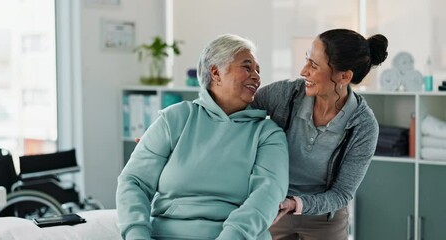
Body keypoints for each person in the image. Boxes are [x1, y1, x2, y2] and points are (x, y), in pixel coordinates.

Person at [116, 34, 289, 240]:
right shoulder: (175, 118)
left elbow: (267, 195)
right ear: (216, 72)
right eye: (247, 67)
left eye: (258, 71)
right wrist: (137, 234)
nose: (256, 77)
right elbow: (134, 181)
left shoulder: (267, 133)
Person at [251, 28, 389, 240]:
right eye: (307, 60)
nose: (303, 71)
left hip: (324, 218)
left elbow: (342, 193)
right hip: (273, 207)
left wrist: (297, 204)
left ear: (344, 76)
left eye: (314, 66)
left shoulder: (363, 126)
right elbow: (239, 118)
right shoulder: (284, 94)